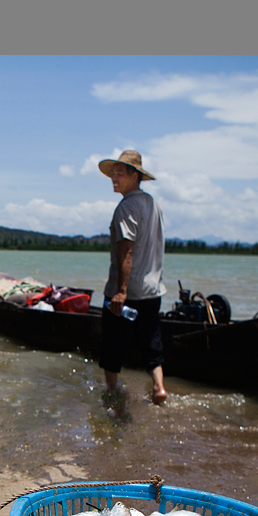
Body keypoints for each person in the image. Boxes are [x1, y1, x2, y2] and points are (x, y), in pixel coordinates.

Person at [98, 149, 167, 405]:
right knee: (152, 343)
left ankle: (112, 394)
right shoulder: (153, 204)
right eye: (112, 174)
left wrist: (121, 291)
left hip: (128, 293)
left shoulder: (127, 206)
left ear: (134, 176)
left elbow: (126, 249)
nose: (114, 178)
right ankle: (159, 388)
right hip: (152, 290)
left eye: (119, 174)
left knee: (112, 348)